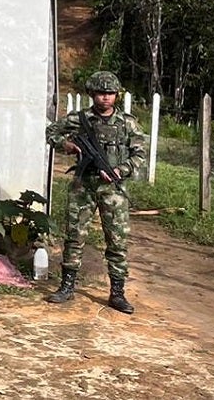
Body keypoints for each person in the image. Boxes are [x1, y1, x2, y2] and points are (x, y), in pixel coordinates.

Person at [44, 71, 146, 314]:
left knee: (117, 241)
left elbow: (139, 154)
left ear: (116, 95)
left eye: (110, 93)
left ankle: (117, 293)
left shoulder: (127, 123)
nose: (105, 98)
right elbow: (51, 132)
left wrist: (121, 170)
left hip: (113, 190)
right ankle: (67, 286)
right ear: (91, 94)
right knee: (74, 237)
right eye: (101, 93)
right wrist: (66, 145)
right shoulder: (80, 119)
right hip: (83, 186)